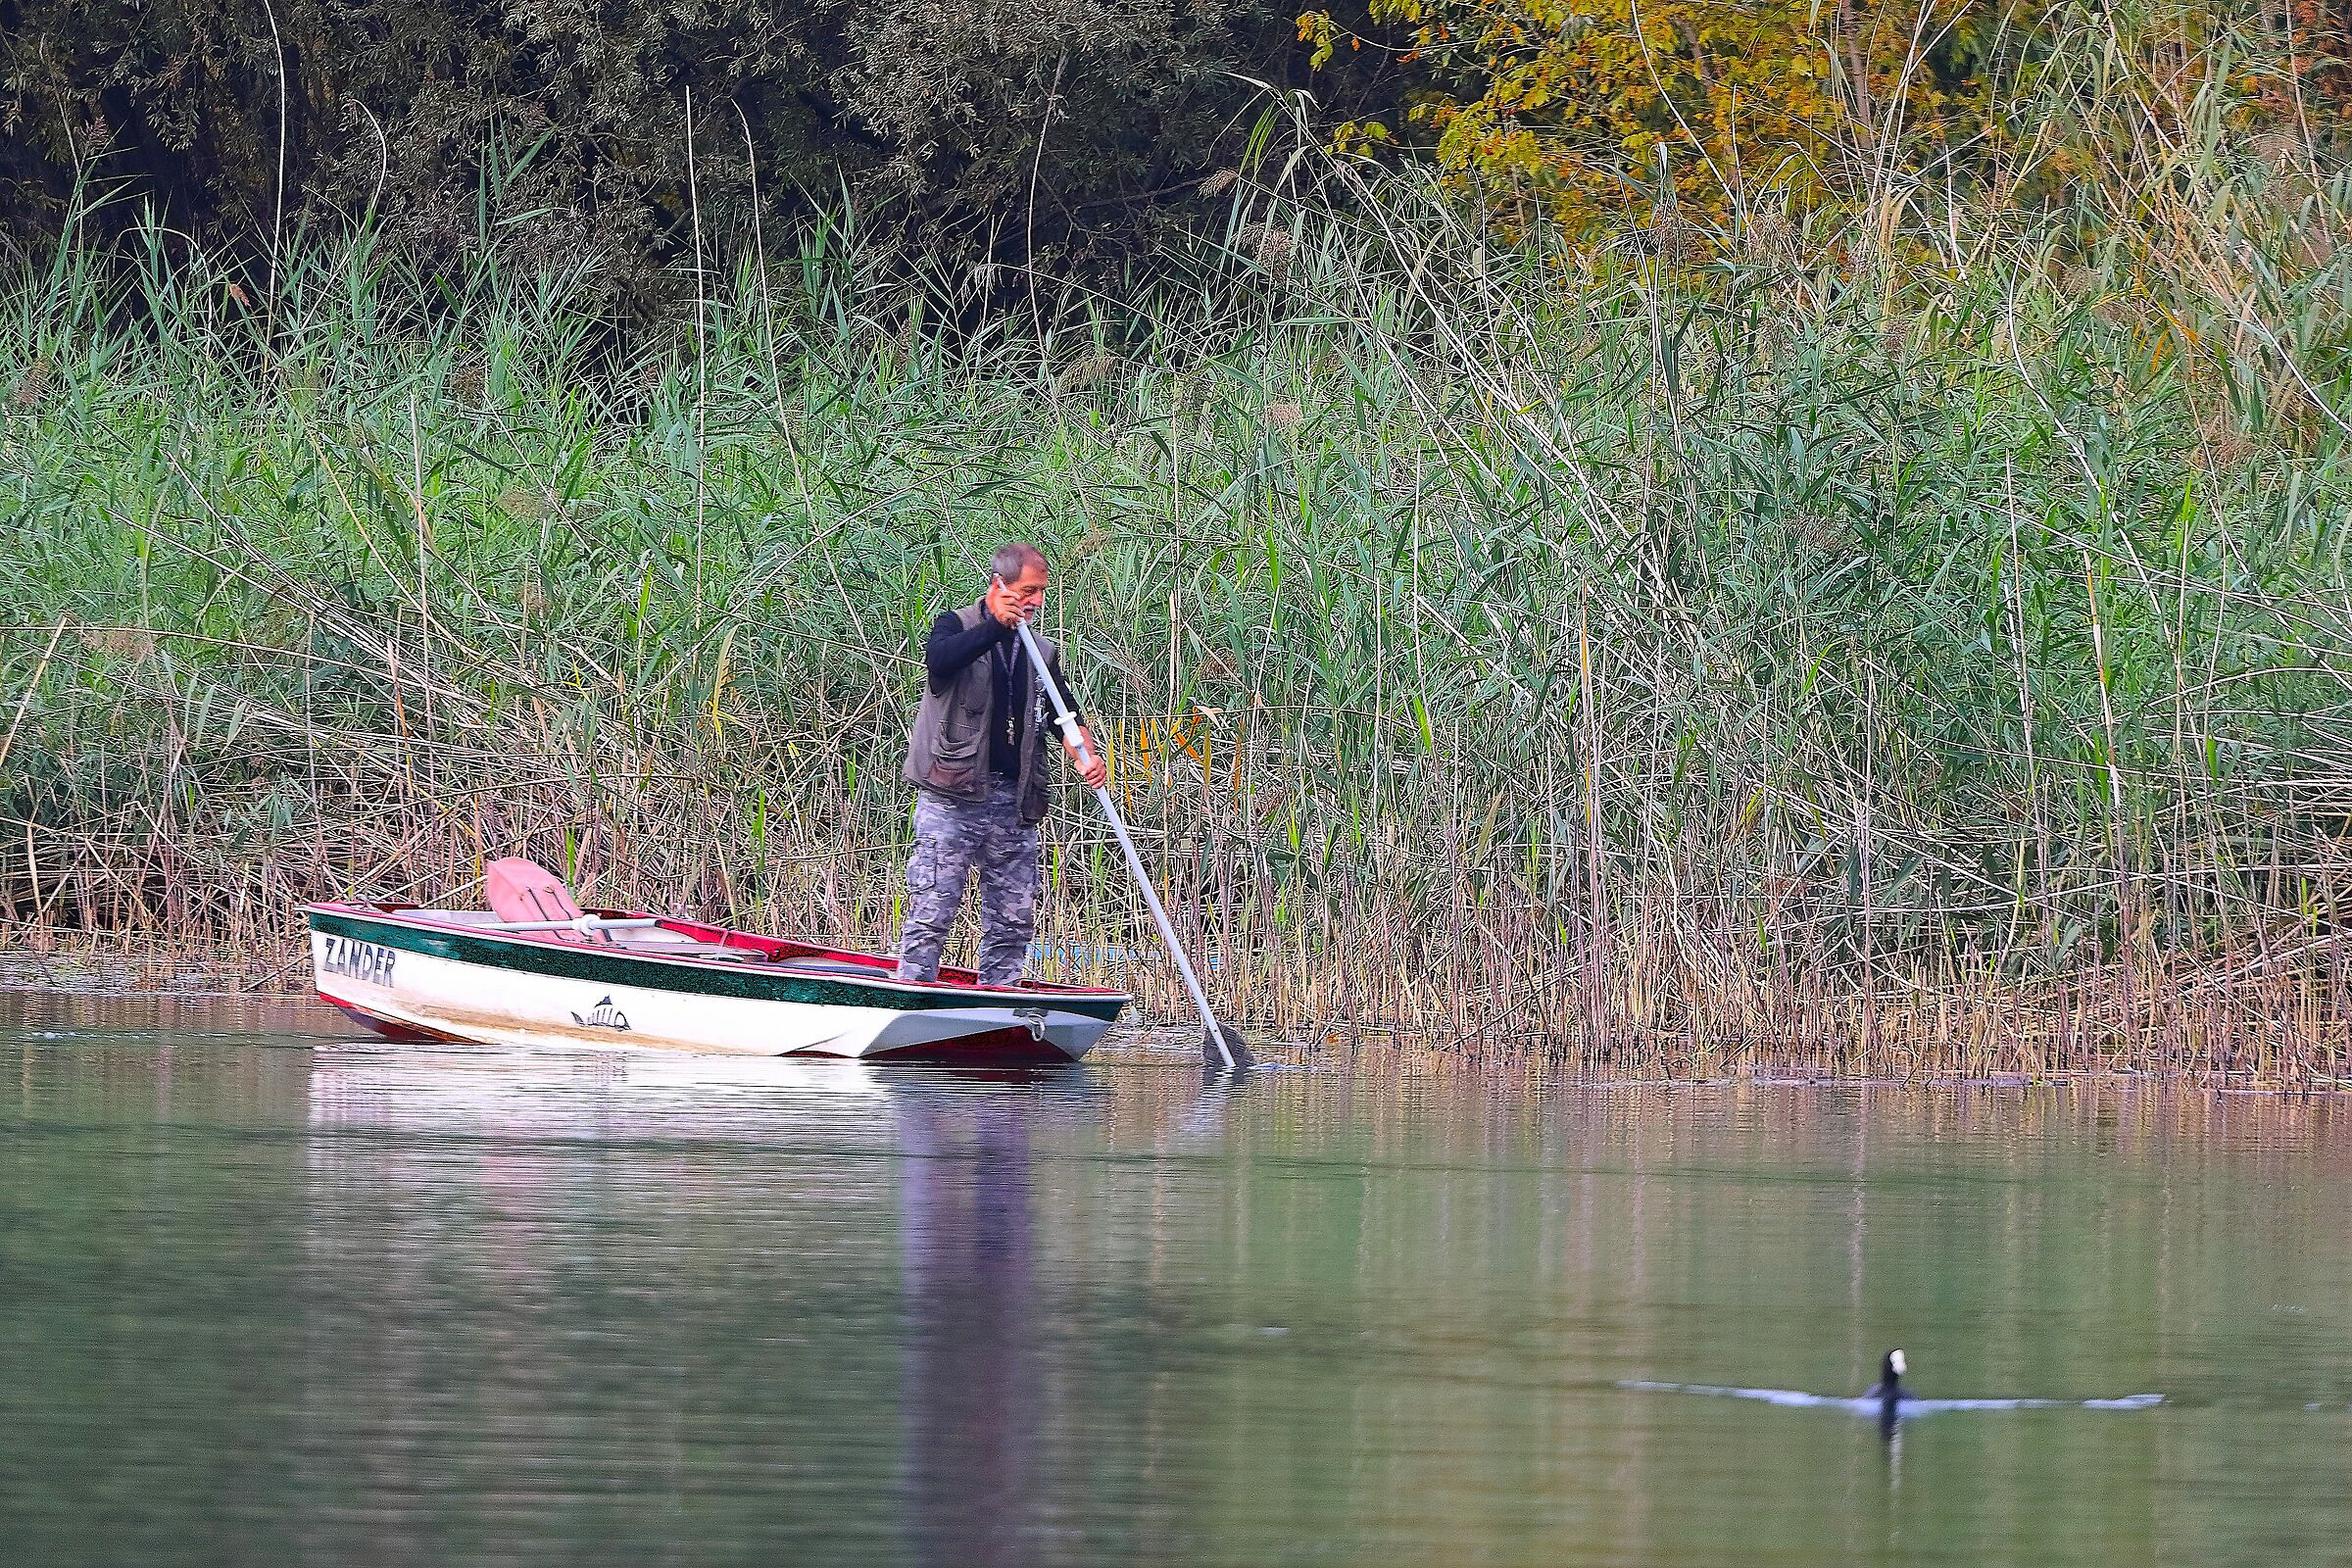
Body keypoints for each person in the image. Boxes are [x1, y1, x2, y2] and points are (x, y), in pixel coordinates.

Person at [897, 543, 1107, 986]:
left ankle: (1001, 998)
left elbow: (1062, 713)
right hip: (952, 797)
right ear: (999, 585)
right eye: (1028, 590)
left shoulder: (1041, 651)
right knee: (934, 908)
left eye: (1041, 592)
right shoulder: (956, 626)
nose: (1036, 601)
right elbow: (940, 662)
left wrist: (1086, 756)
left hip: (1014, 801)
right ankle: (913, 991)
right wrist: (995, 625)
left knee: (1013, 919)